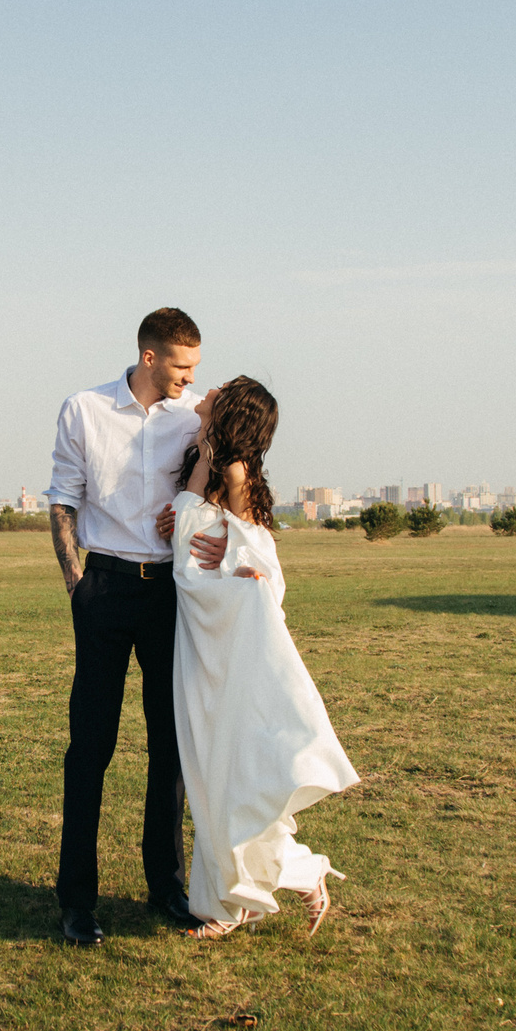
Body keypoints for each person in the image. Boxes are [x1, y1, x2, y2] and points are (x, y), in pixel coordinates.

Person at [47, 306, 228, 946]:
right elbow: (63, 498)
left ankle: (167, 889)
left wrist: (212, 530)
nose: (190, 378)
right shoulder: (84, 409)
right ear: (150, 357)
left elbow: (237, 482)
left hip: (172, 595)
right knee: (89, 749)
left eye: (195, 367)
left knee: (170, 749)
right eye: (182, 366)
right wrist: (79, 588)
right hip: (104, 588)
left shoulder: (199, 413)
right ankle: (77, 902)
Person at [167, 377, 359, 938]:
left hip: (225, 636)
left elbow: (261, 556)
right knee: (209, 769)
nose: (208, 386)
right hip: (198, 634)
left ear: (232, 410)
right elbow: (189, 526)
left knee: (229, 770)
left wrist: (238, 551)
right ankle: (236, 899)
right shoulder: (205, 456)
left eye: (220, 388)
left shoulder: (235, 472)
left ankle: (256, 892)